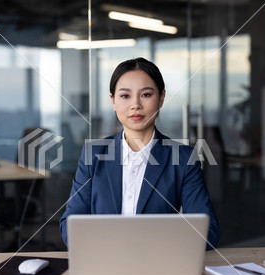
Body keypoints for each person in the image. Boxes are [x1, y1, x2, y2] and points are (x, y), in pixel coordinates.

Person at [59, 57, 220, 250]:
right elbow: (70, 224)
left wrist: (153, 248)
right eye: (125, 96)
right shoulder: (93, 155)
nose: (135, 104)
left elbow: (207, 231)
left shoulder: (184, 159)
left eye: (146, 94)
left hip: (159, 264)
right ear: (113, 101)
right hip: (103, 263)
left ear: (161, 98)